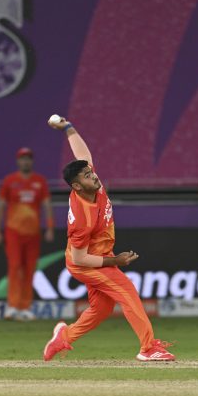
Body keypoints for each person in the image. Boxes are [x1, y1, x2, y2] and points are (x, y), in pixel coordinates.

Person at [42, 116, 176, 362]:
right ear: (76, 186)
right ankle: (148, 347)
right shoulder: (82, 218)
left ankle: (64, 337)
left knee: (101, 309)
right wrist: (115, 261)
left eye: (90, 172)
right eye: (86, 175)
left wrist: (68, 128)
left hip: (95, 256)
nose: (93, 176)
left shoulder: (94, 185)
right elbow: (80, 258)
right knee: (126, 290)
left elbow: (84, 155)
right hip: (84, 262)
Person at [0, 147, 54, 320]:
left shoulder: (40, 181)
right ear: (18, 161)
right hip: (13, 232)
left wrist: (50, 227)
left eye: (28, 158)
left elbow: (47, 205)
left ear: (32, 162)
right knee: (14, 266)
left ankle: (25, 307)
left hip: (33, 233)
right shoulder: (10, 181)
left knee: (30, 269)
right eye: (22, 158)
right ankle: (12, 306)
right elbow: (1, 206)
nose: (25, 161)